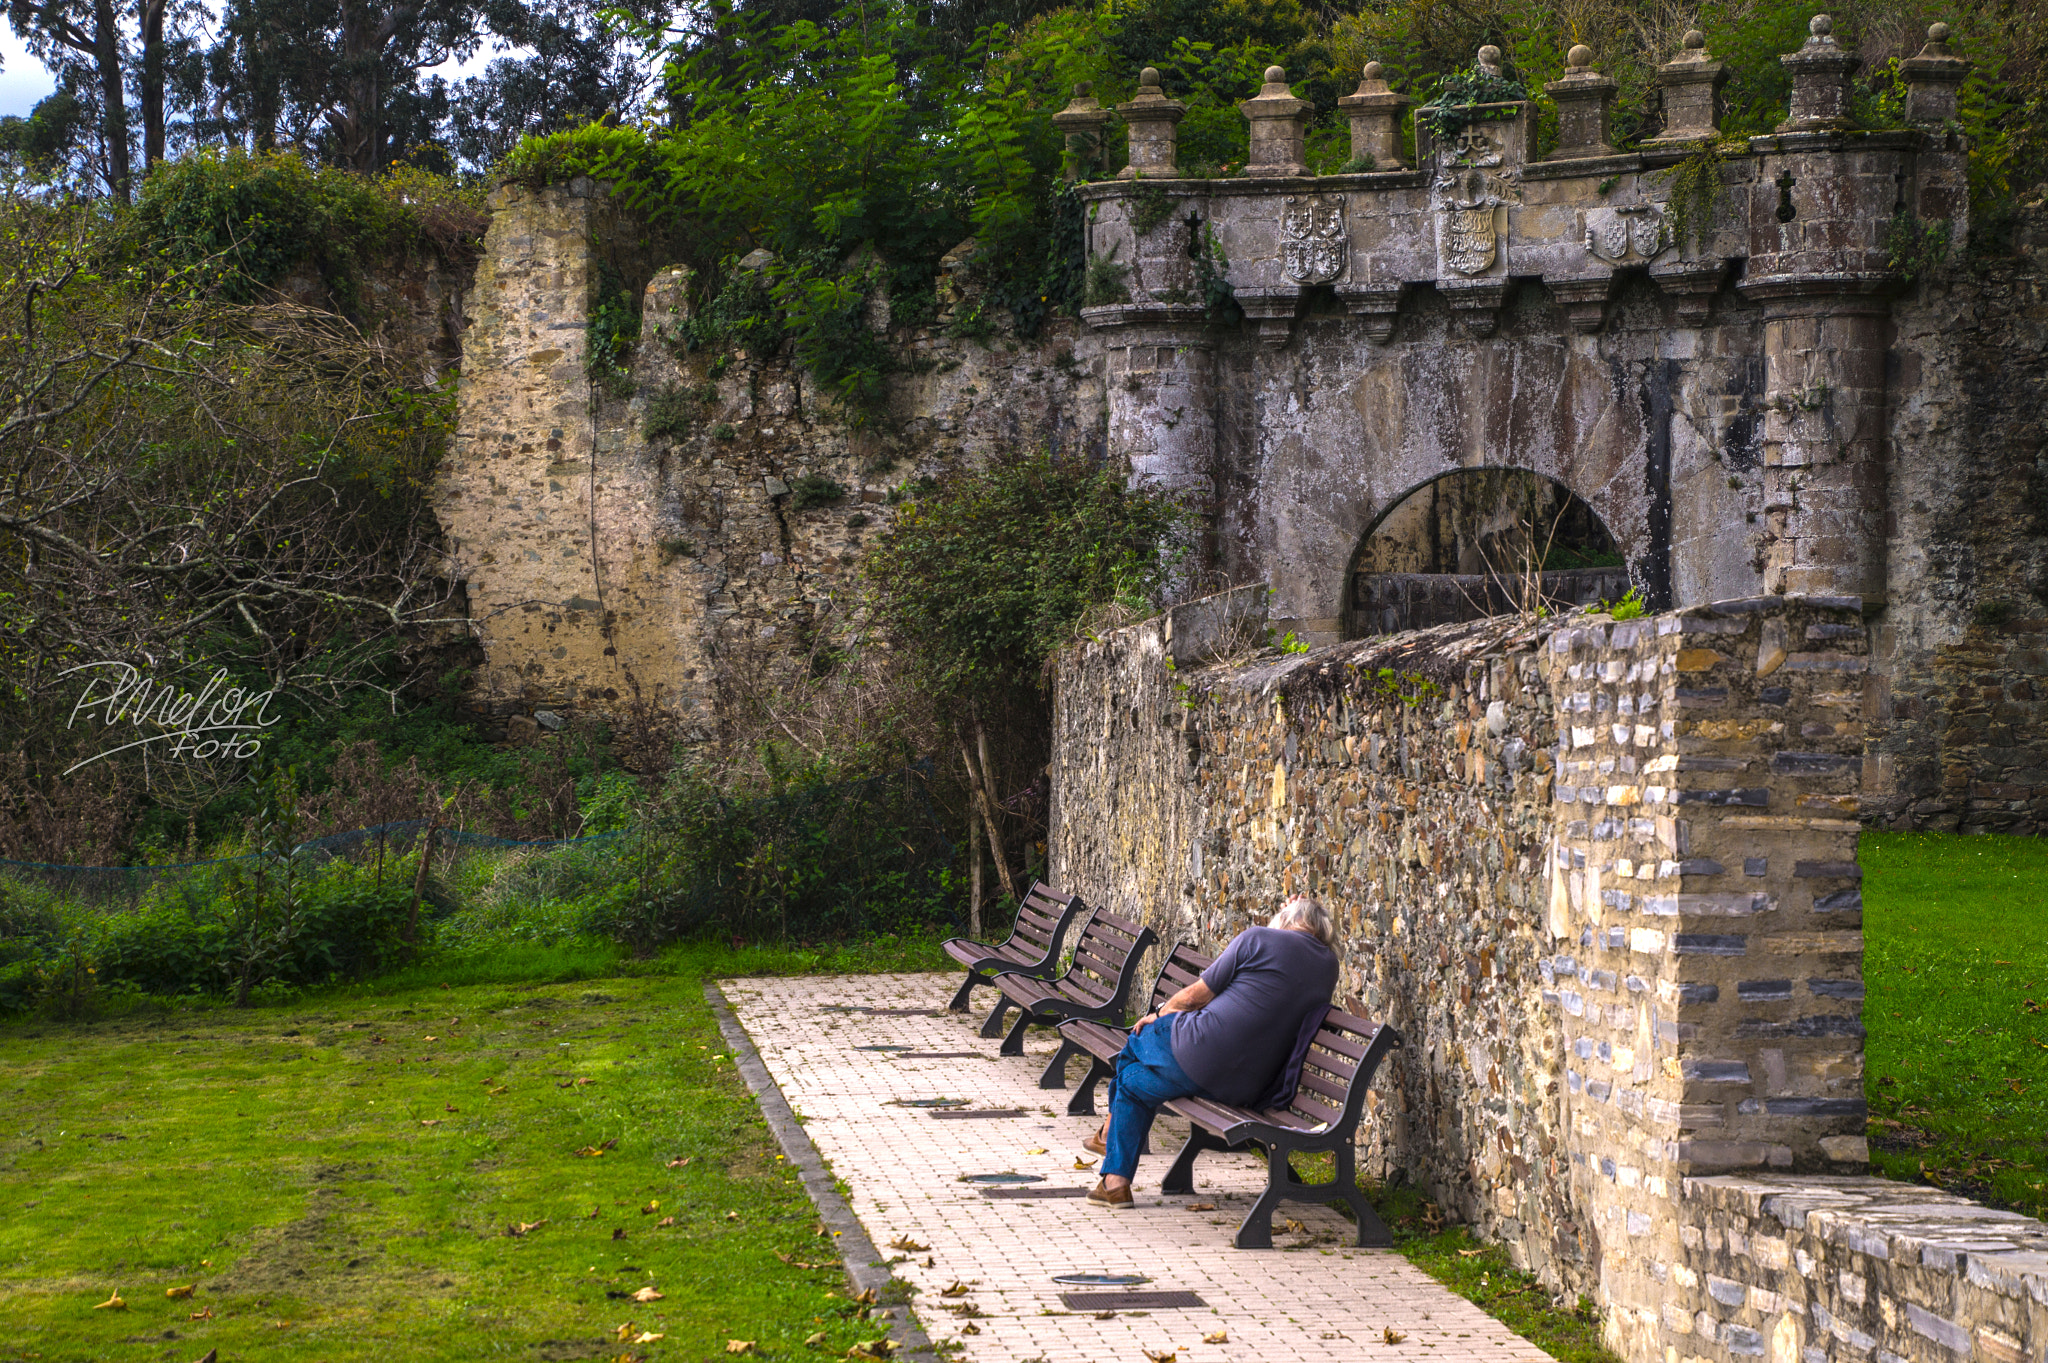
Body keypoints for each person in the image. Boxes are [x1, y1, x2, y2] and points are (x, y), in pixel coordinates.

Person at [1084, 895, 1341, 1208]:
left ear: (1285, 919)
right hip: (1245, 1086)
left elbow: (1193, 999)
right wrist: (1299, 909)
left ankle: (1109, 1132)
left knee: (1137, 1038)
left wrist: (1159, 1012)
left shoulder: (1257, 939)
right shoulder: (1328, 965)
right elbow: (1299, 940)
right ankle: (1114, 1184)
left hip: (1196, 1052)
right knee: (1132, 1084)